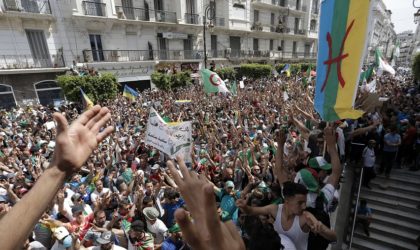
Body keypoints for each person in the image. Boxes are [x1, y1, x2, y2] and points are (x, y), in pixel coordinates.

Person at [0, 105, 114, 250]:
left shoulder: (87, 218)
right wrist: (58, 170)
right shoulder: (73, 224)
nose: (80, 215)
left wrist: (59, 169)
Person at [236, 181, 337, 250]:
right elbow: (252, 211)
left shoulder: (306, 217)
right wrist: (244, 207)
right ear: (287, 201)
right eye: (300, 203)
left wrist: (322, 229)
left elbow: (333, 237)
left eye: (305, 202)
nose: (304, 206)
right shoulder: (274, 209)